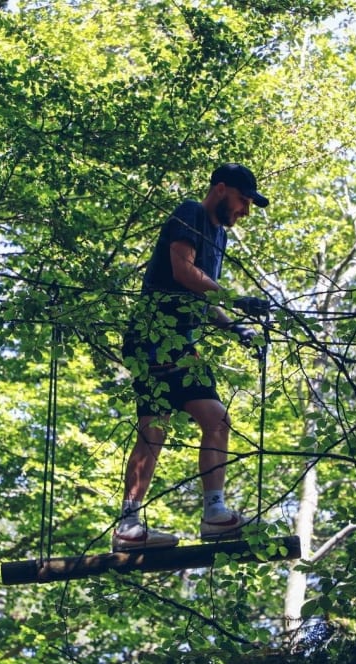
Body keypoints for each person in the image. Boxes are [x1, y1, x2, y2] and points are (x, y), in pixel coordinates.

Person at [114, 163, 270, 552]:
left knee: (210, 421)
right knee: (158, 426)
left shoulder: (219, 237)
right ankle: (130, 525)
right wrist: (235, 299)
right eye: (242, 200)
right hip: (154, 335)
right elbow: (183, 272)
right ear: (221, 189)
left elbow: (201, 296)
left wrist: (235, 327)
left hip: (179, 341)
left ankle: (211, 514)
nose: (245, 211)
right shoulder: (191, 213)